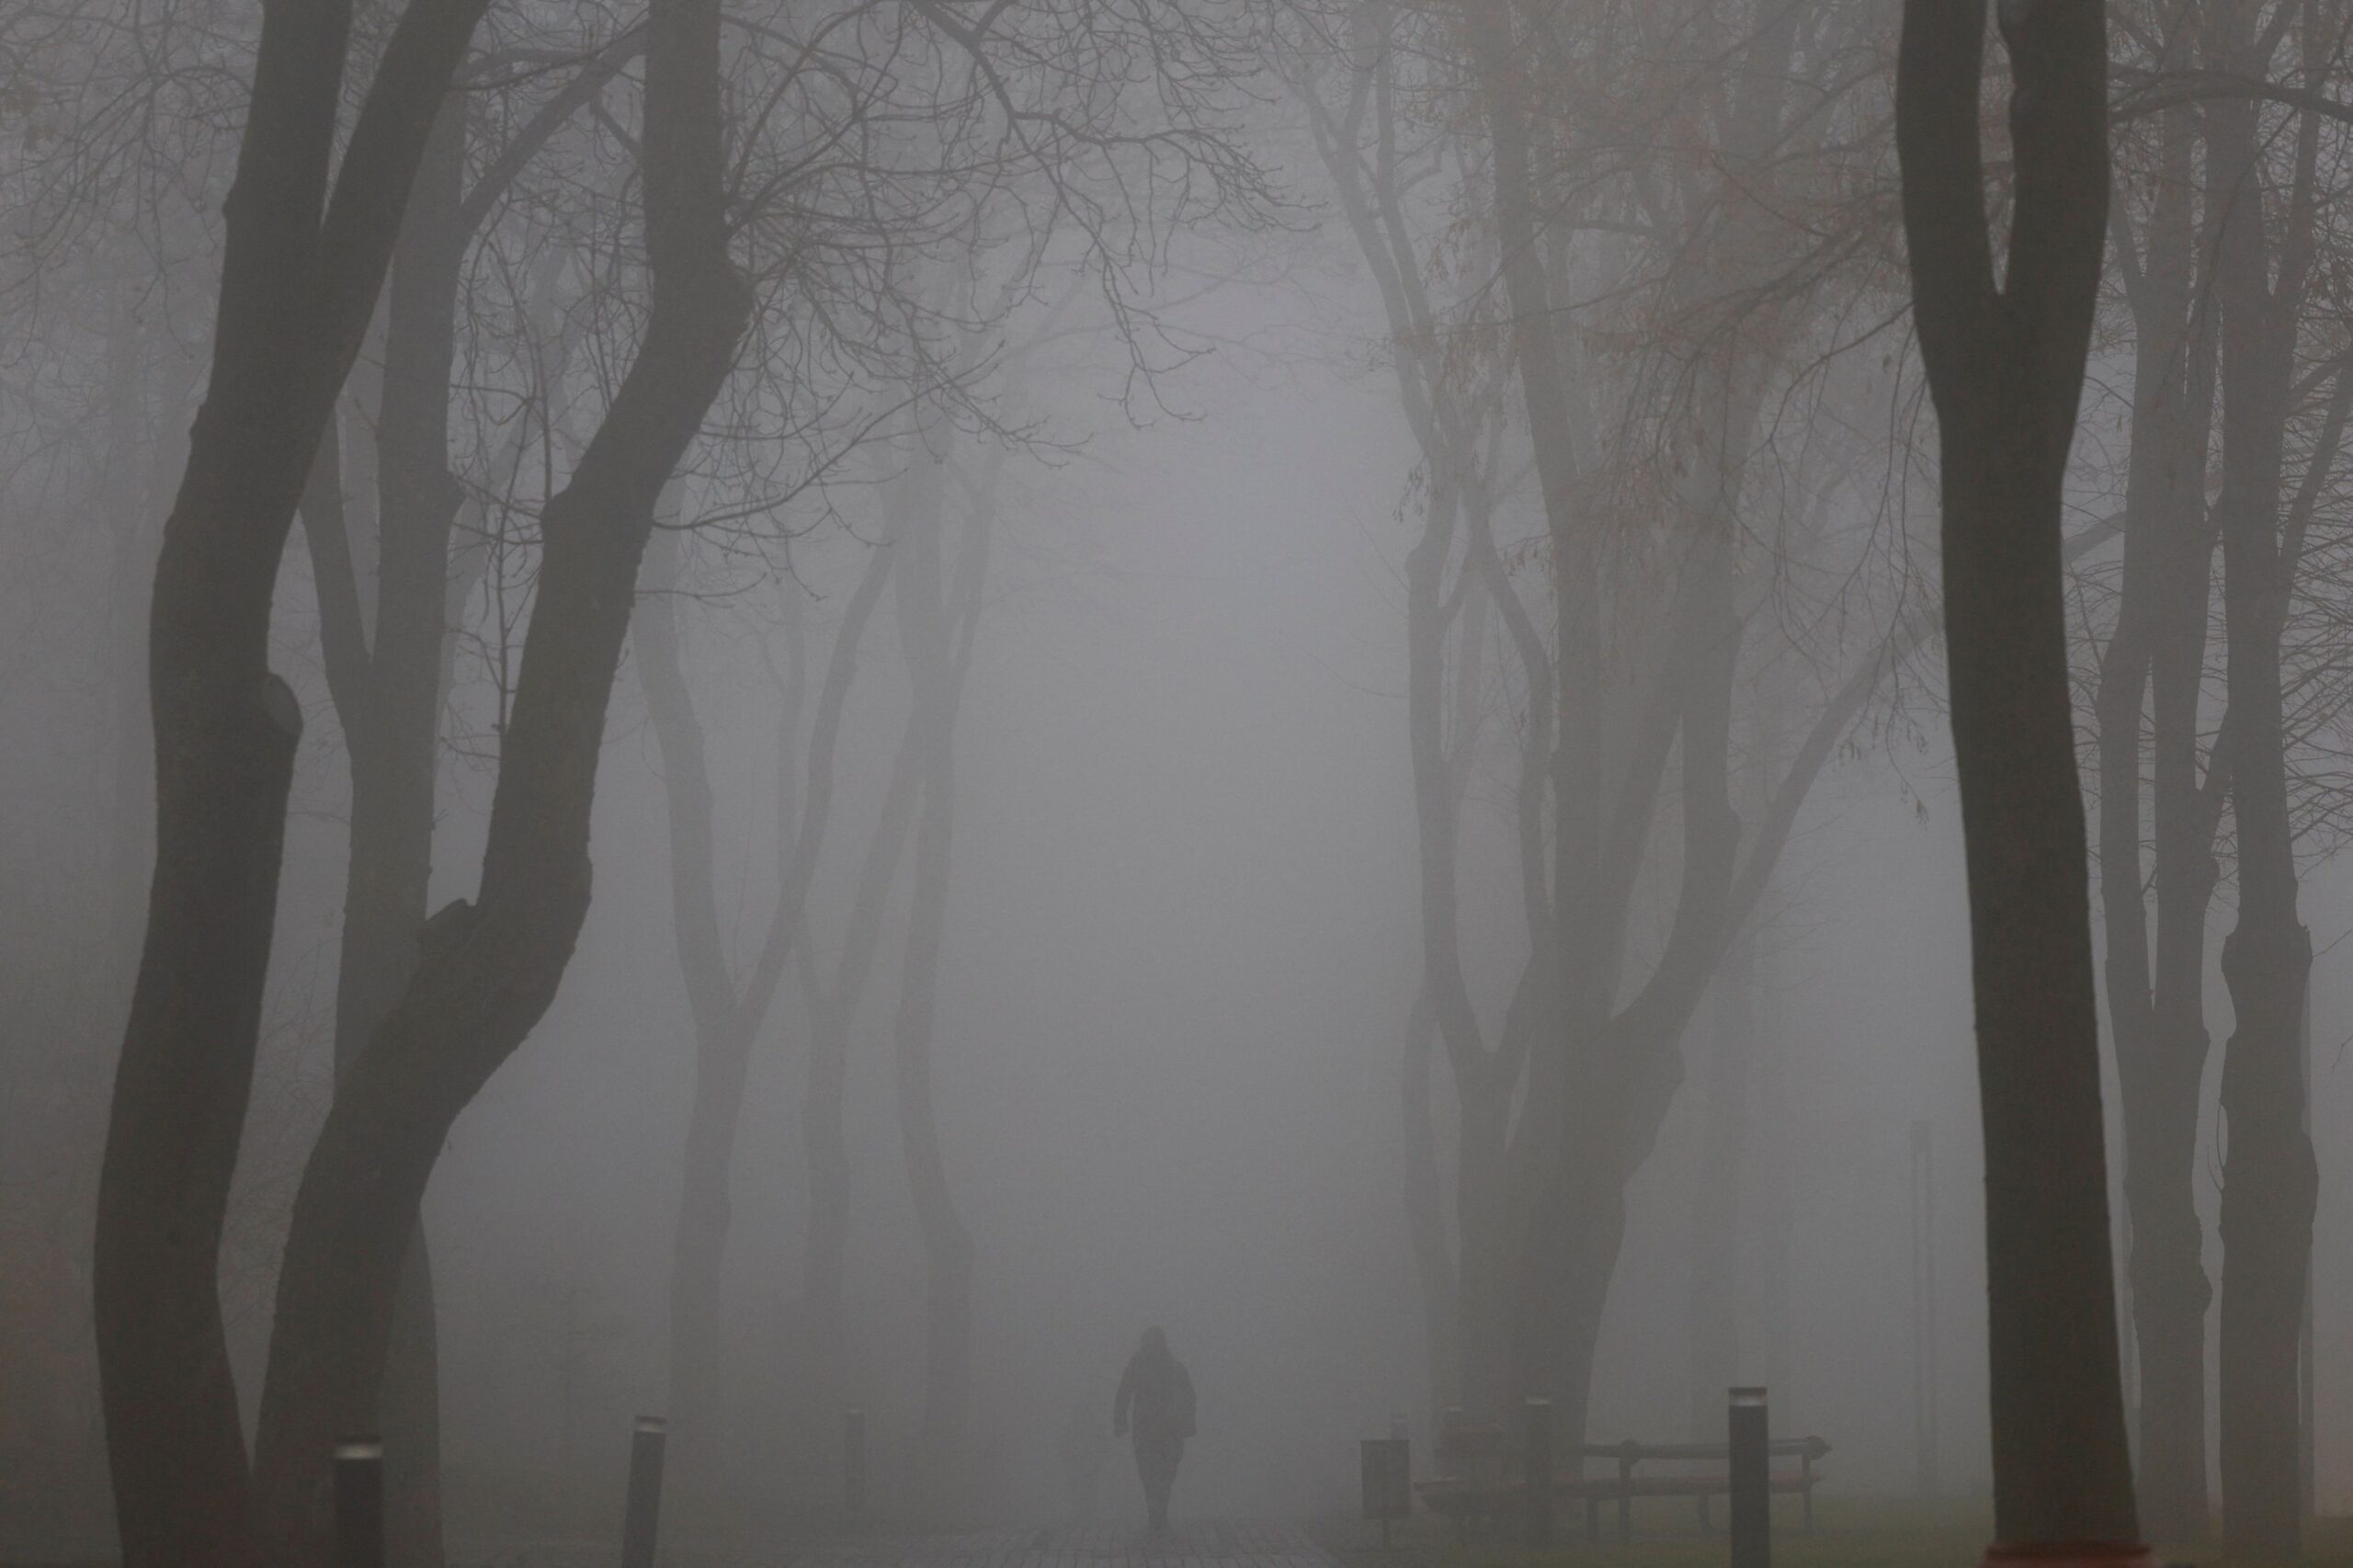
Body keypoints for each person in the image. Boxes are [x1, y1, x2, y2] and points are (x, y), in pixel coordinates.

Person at [1111, 1325, 1195, 1534]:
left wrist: (1188, 1423)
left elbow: (1188, 1397)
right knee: (1151, 1473)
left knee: (1164, 1473)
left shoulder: (1174, 1368)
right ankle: (1156, 1513)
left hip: (1166, 1430)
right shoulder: (1138, 1365)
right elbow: (1124, 1393)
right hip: (1151, 1430)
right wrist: (1120, 1421)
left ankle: (1158, 1512)